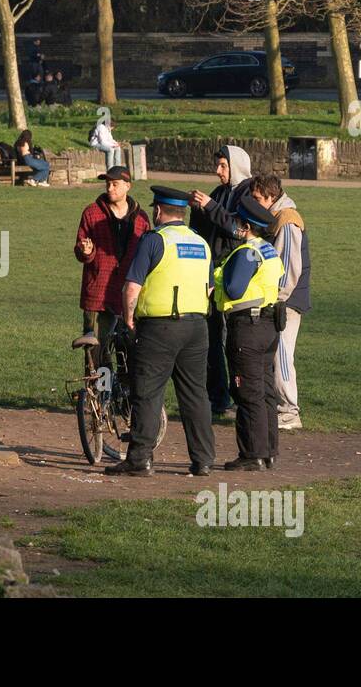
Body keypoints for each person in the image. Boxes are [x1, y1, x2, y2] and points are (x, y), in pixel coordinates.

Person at [104, 187, 214, 477]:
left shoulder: (154, 240)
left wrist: (128, 318)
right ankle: (203, 459)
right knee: (195, 395)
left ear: (158, 211)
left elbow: (132, 286)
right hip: (197, 327)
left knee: (148, 393)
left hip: (160, 327)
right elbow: (210, 286)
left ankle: (140, 458)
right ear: (184, 212)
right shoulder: (201, 243)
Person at [214, 196, 284, 471]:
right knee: (266, 391)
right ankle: (269, 451)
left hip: (247, 328)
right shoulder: (269, 250)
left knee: (247, 391)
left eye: (237, 222)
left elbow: (234, 289)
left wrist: (220, 273)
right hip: (268, 326)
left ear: (245, 225)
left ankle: (251, 454)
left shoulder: (247, 252)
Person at [189, 145, 255, 419]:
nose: (217, 171)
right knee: (212, 339)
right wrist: (198, 210)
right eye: (217, 165)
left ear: (236, 164)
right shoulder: (219, 193)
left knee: (234, 342)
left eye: (223, 166)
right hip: (211, 278)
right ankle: (219, 400)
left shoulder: (248, 193)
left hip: (236, 277)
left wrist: (211, 207)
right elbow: (205, 232)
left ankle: (242, 400)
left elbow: (240, 230)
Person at [73, 166, 151, 372]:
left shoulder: (142, 219)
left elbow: (147, 255)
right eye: (107, 183)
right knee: (96, 353)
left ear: (128, 186)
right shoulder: (91, 213)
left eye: (115, 184)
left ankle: (124, 400)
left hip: (129, 294)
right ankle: (97, 399)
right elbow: (81, 250)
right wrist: (86, 251)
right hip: (98, 295)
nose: (110, 188)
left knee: (127, 352)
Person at [250, 174, 310, 431]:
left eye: (257, 199)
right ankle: (281, 407)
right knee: (277, 353)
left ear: (271, 197)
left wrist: (276, 300)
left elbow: (288, 269)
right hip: (284, 299)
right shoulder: (278, 218)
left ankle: (289, 411)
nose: (254, 203)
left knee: (282, 355)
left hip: (286, 301)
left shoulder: (286, 221)